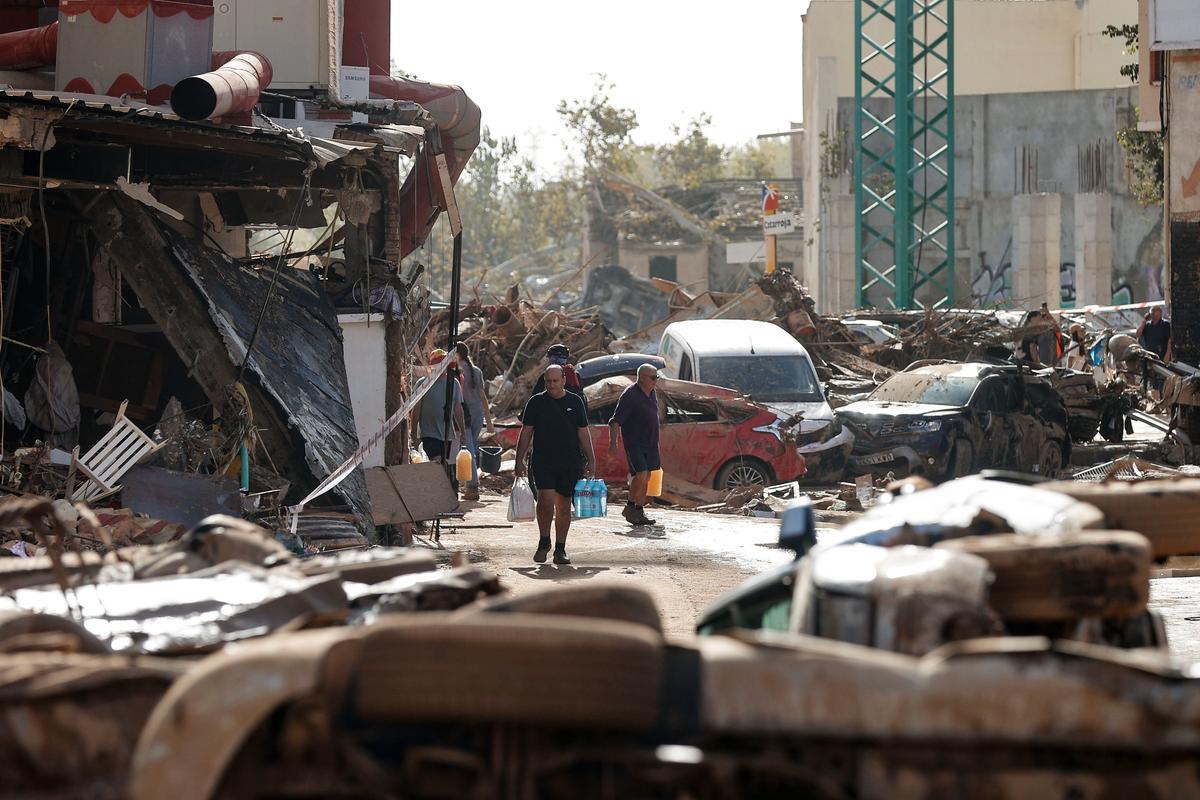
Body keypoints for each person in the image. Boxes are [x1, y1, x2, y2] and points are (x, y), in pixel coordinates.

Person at [514, 365, 596, 565]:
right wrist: (519, 459)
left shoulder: (575, 402)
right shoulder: (536, 402)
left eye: (555, 381)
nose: (551, 385)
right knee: (545, 500)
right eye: (548, 382)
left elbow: (583, 433)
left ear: (563, 381)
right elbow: (526, 432)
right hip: (543, 460)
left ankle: (560, 549)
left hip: (569, 461)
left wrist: (592, 460)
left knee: (564, 505)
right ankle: (544, 541)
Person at [609, 364, 662, 527]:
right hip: (635, 442)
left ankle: (638, 510)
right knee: (641, 473)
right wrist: (613, 444)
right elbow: (615, 421)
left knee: (647, 476)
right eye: (653, 378)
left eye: (656, 377)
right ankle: (630, 507)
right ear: (642, 377)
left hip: (651, 442)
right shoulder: (630, 395)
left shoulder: (652, 392)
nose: (655, 381)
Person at [411, 349, 464, 485]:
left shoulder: (454, 384)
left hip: (447, 433)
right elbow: (416, 410)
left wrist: (463, 431)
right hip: (428, 432)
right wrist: (413, 433)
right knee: (436, 461)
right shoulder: (423, 383)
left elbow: (458, 409)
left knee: (442, 463)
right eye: (437, 363)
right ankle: (436, 489)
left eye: (442, 363)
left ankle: (441, 490)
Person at [455, 342, 494, 501]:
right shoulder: (476, 371)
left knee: (467, 448)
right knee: (471, 447)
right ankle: (468, 484)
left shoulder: (457, 371)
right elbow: (483, 397)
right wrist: (489, 421)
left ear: (457, 354)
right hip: (478, 413)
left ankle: (472, 486)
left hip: (464, 414)